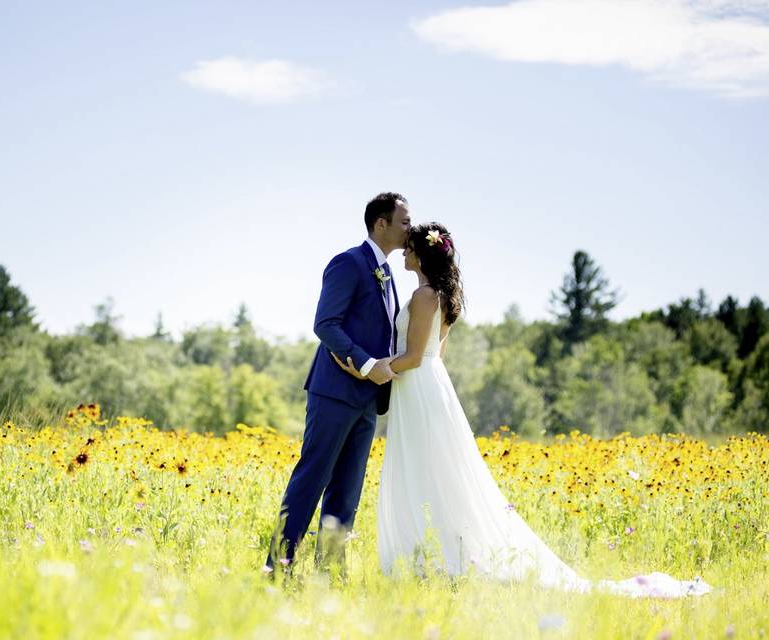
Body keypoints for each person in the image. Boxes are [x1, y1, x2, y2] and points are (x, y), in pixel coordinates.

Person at [338, 222, 711, 598]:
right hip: (431, 385)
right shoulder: (440, 295)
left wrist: (373, 367)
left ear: (421, 253)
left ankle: (429, 558)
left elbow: (416, 356)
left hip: (418, 384)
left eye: (409, 247)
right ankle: (437, 556)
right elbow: (435, 354)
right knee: (437, 470)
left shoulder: (423, 296)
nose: (404, 251)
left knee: (421, 468)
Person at [266, 192, 411, 571]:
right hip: (335, 391)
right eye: (404, 222)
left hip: (368, 399)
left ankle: (328, 574)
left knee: (347, 491)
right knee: (312, 479)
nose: (409, 229)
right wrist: (366, 365)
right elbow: (325, 324)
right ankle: (277, 567)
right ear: (381, 224)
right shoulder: (348, 263)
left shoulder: (389, 273)